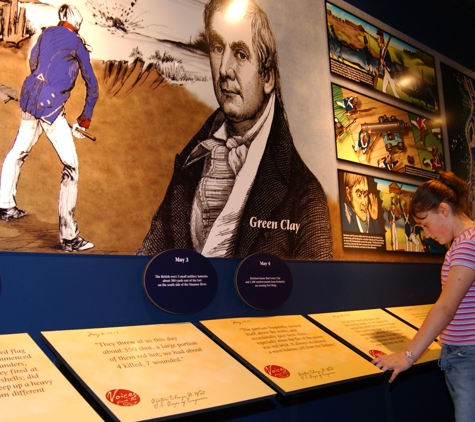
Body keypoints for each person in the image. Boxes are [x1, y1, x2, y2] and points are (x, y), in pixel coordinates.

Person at [136, 0, 332, 260]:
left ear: (268, 78)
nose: (224, 69)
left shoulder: (305, 197)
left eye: (240, 54)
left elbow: (314, 294)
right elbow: (147, 260)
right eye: (218, 48)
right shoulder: (191, 161)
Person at [372, 172, 475, 422]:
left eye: (425, 224)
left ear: (443, 209)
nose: (426, 234)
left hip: (468, 357)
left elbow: (446, 307)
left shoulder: (467, 244)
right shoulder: (463, 242)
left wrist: (409, 356)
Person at [0, 4, 98, 252]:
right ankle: (69, 237)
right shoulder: (77, 43)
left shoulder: (45, 34)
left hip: (30, 97)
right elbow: (92, 86)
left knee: (18, 152)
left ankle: (4, 205)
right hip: (51, 107)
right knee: (71, 166)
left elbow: (34, 62)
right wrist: (84, 119)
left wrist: (46, 79)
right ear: (77, 24)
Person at [376, 29, 399, 98]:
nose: (377, 40)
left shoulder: (385, 50)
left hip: (389, 72)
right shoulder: (381, 50)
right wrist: (378, 67)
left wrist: (384, 62)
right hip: (386, 73)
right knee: (383, 89)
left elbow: (389, 63)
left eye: (378, 38)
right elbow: (380, 60)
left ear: (381, 39)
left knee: (394, 92)